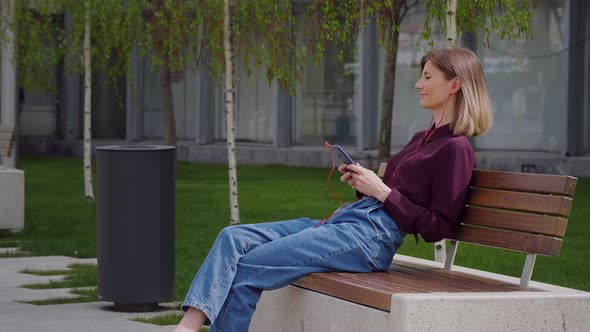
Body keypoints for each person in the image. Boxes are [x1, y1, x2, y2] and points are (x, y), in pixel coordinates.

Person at [175, 47, 492, 332]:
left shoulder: (456, 149)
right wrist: (364, 184)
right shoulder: (420, 138)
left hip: (371, 238)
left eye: (427, 77)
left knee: (247, 268)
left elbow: (440, 226)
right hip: (348, 222)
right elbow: (394, 193)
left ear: (455, 85)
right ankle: (186, 327)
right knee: (233, 237)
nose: (418, 84)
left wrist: (382, 192)